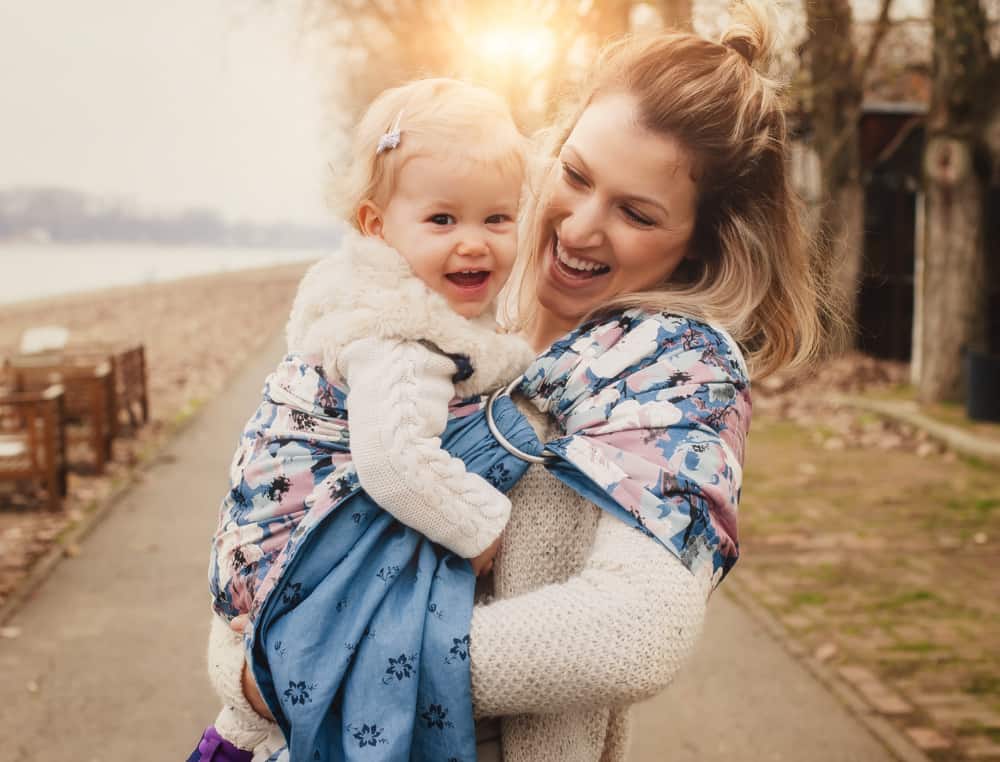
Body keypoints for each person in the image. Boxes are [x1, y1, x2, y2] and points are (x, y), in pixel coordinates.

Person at [201, 2, 827, 760]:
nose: (579, 226)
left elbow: (632, 634)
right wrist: (251, 662)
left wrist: (315, 665)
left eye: (635, 212)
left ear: (702, 240)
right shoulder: (462, 293)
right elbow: (278, 516)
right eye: (575, 174)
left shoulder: (676, 369)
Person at [194, 78, 539, 761]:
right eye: (443, 221)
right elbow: (394, 463)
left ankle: (238, 742)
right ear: (377, 225)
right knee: (337, 680)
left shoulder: (360, 296)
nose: (474, 244)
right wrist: (484, 531)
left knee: (271, 714)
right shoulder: (399, 340)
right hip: (297, 550)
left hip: (258, 534)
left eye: (497, 220)